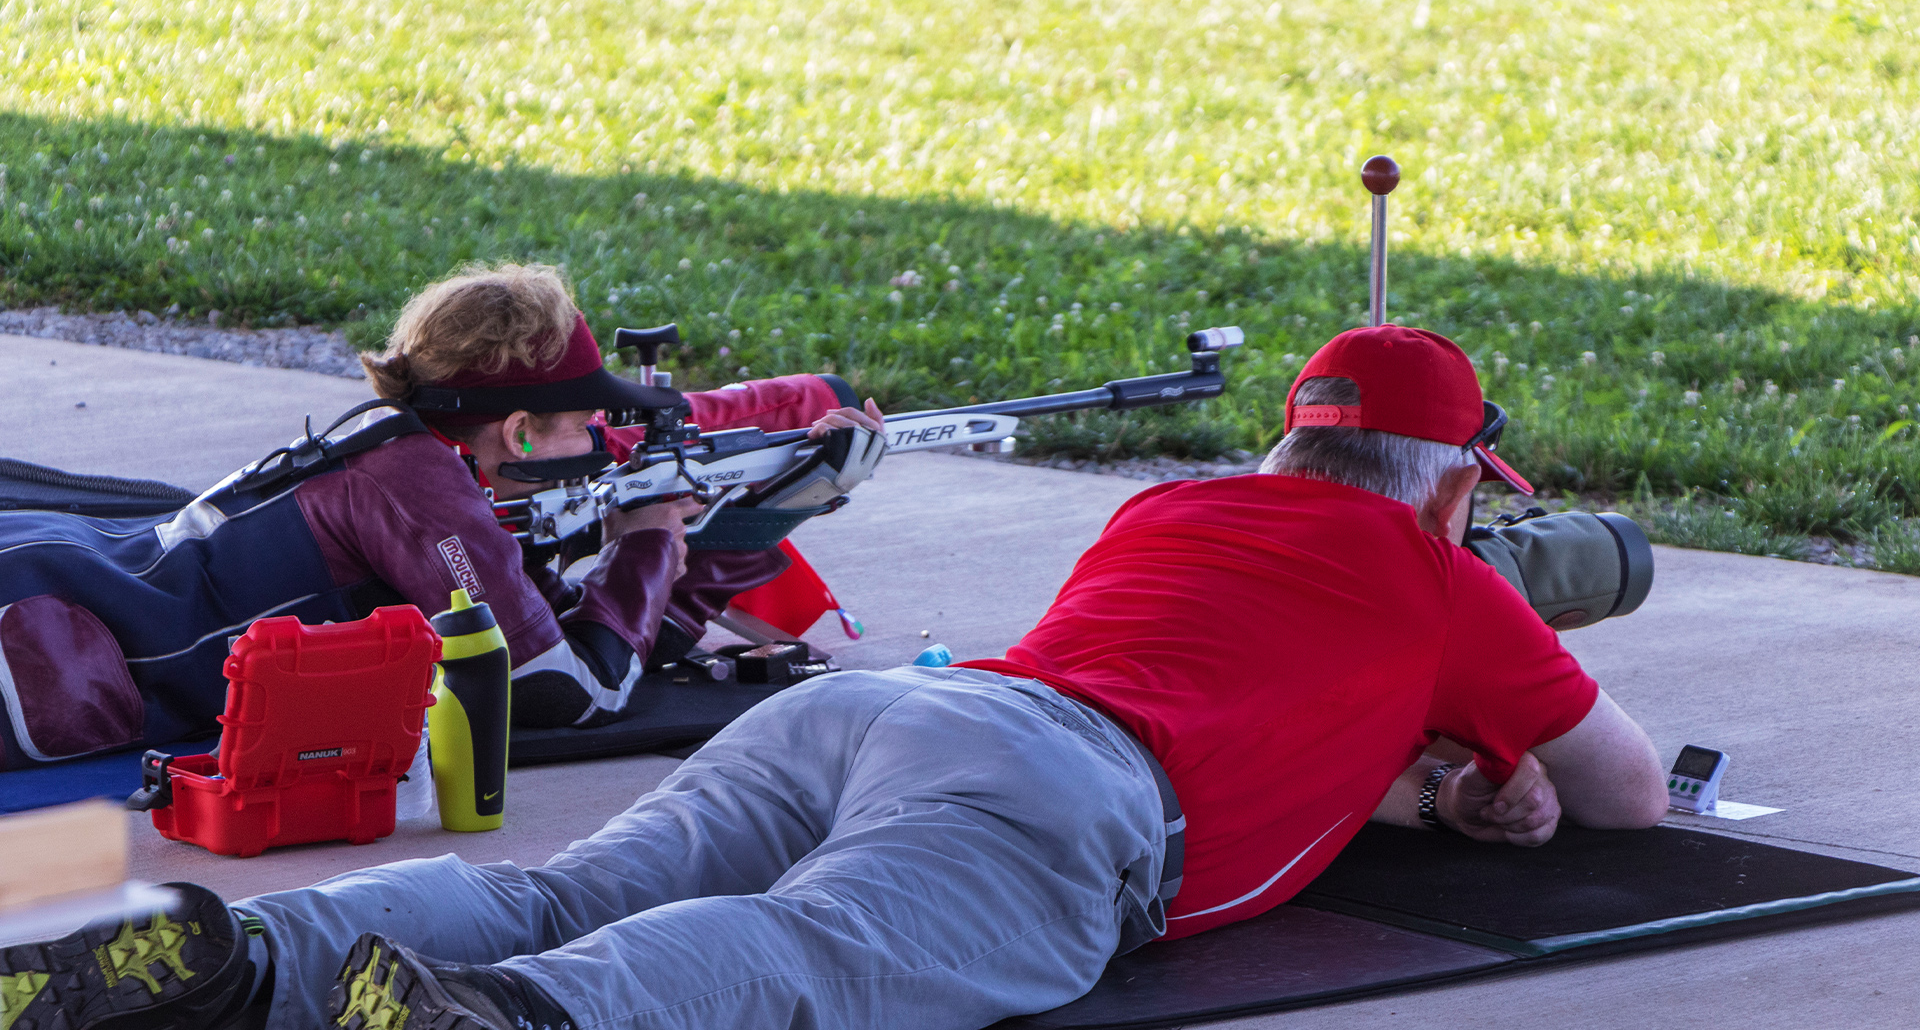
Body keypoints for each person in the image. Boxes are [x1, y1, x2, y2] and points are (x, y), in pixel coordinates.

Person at [0, 325, 1668, 1030]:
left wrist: (1424, 779)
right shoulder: (1435, 572)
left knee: (564, 885)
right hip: (1063, 794)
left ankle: (229, 960)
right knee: (829, 948)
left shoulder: (1175, 506)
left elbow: (1253, 687)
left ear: (1292, 443)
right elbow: (1631, 792)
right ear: (1455, 491)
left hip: (891, 711)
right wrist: (1484, 770)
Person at [0, 262, 884, 769]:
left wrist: (775, 504)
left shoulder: (397, 438)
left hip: (52, 573)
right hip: (36, 647)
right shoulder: (425, 490)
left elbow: (632, 644)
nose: (597, 436)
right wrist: (648, 539)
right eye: (583, 421)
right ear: (519, 432)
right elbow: (573, 692)